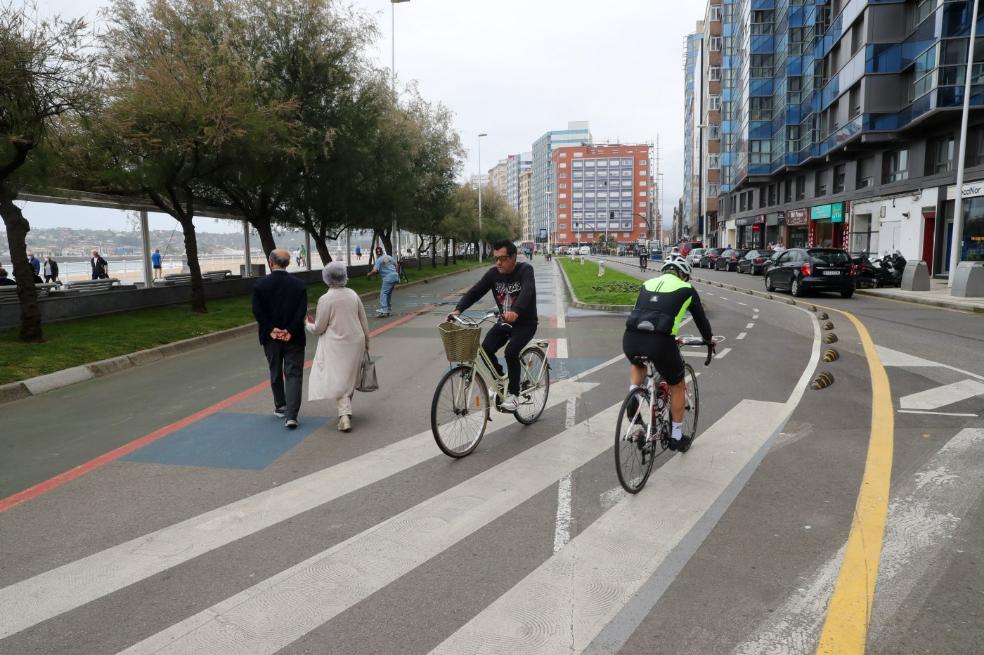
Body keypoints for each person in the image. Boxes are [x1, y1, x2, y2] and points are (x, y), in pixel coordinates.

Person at [622, 254, 714, 452]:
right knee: (677, 385)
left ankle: (632, 394)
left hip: (631, 338)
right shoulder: (687, 289)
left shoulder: (647, 283)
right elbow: (701, 320)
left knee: (638, 362)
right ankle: (677, 437)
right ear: (684, 276)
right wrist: (708, 339)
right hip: (661, 341)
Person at [450, 239, 537, 412]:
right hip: (505, 322)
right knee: (486, 349)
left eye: (503, 258)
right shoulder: (493, 274)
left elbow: (527, 290)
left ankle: (513, 394)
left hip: (525, 323)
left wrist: (516, 311)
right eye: (496, 258)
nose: (498, 262)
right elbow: (475, 292)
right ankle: (499, 379)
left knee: (511, 352)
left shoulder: (525, 270)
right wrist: (458, 309)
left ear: (513, 257)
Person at [305, 261, 370, 432]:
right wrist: (367, 342)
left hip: (335, 344)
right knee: (349, 378)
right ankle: (346, 412)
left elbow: (319, 328)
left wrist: (308, 324)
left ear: (326, 278)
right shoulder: (353, 294)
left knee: (339, 379)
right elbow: (363, 320)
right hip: (356, 340)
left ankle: (344, 416)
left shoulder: (325, 299)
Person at [251, 249, 308, 429]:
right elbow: (301, 312)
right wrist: (290, 330)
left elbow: (257, 311)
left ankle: (280, 405)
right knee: (293, 374)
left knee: (275, 371)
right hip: (294, 336)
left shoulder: (260, 285)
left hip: (271, 337)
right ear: (288, 263)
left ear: (270, 262)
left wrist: (271, 329)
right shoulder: (299, 285)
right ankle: (292, 415)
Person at [366, 246, 400, 317]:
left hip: (388, 278)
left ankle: (384, 309)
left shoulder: (378, 260)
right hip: (395, 276)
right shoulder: (388, 257)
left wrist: (369, 274)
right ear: (382, 251)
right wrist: (395, 273)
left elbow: (375, 270)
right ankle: (388, 309)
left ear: (376, 253)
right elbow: (396, 265)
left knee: (383, 293)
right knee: (388, 294)